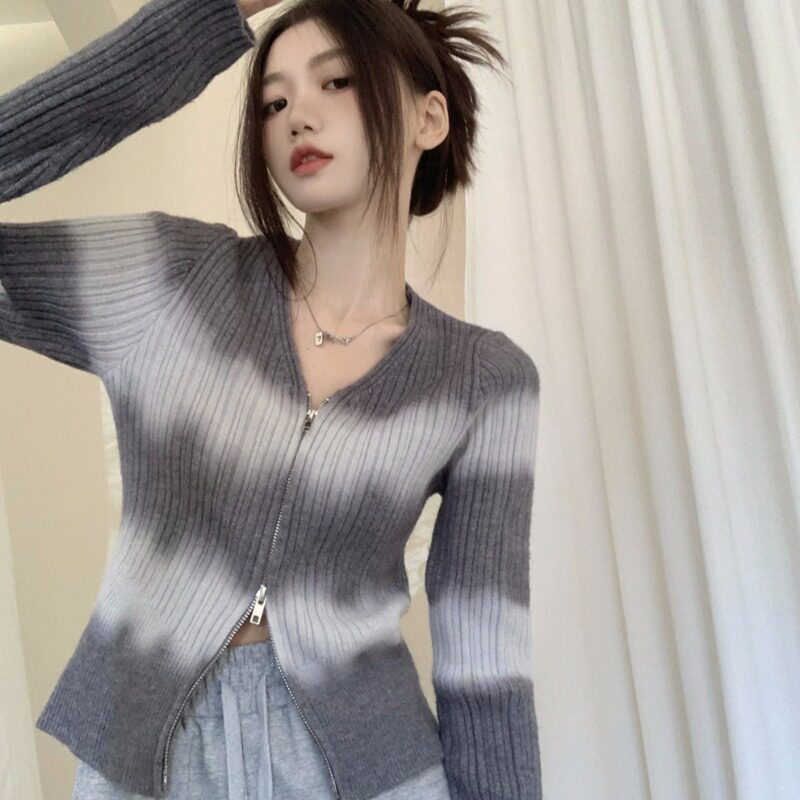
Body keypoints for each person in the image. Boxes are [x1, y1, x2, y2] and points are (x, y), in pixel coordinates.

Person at [0, 0, 543, 798]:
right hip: (144, 757)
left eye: (338, 82)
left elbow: (485, 664)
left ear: (429, 119)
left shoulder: (482, 378)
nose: (299, 116)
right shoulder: (174, 284)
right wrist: (203, 19)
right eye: (273, 101)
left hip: (369, 771)